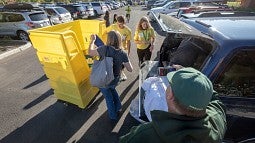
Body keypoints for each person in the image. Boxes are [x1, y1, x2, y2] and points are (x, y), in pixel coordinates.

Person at [120, 67, 227, 143]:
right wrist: (197, 82)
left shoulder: (143, 135)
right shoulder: (217, 122)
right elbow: (215, 98)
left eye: (170, 84)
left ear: (170, 95)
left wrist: (184, 72)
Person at [89, 31, 133, 122]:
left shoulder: (104, 49)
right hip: (115, 79)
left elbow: (90, 52)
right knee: (113, 90)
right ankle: (118, 107)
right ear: (119, 40)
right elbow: (130, 69)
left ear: (109, 39)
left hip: (104, 79)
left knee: (108, 98)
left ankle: (113, 116)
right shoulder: (123, 53)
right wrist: (124, 60)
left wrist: (92, 41)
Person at [104, 15, 132, 81]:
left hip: (122, 49)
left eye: (122, 24)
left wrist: (128, 52)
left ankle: (121, 72)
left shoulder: (128, 30)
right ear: (117, 22)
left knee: (122, 63)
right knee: (113, 63)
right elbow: (105, 32)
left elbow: (128, 42)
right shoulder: (113, 26)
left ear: (124, 23)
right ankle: (115, 74)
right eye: (119, 24)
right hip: (112, 49)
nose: (120, 26)